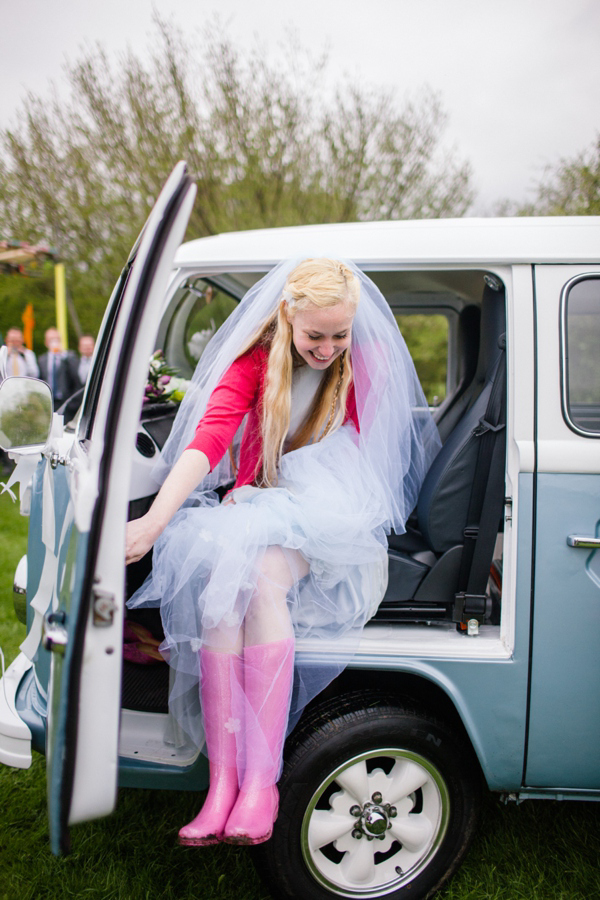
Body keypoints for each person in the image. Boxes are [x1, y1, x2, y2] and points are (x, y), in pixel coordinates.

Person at [126, 258, 441, 847]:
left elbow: (375, 467)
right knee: (223, 585)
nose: (327, 348)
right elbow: (210, 436)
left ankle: (260, 785)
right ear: (287, 318)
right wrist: (153, 520)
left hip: (333, 521)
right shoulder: (256, 362)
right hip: (263, 509)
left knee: (262, 575)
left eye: (339, 335)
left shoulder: (361, 367)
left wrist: (277, 499)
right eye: (314, 335)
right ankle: (223, 783)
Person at [38, 327, 80, 409]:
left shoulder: (69, 356)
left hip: (65, 401)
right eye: (51, 340)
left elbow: (76, 377)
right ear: (46, 342)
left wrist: (62, 355)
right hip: (48, 402)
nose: (54, 342)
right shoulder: (42, 359)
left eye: (56, 339)